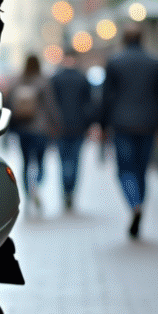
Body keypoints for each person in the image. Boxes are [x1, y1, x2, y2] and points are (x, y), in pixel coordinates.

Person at [101, 24, 158, 239]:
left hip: (122, 124)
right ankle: (139, 204)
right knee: (141, 170)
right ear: (143, 39)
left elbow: (106, 97)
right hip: (149, 124)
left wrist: (102, 126)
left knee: (125, 170)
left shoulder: (114, 62)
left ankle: (134, 205)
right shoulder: (155, 62)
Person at [6, 55, 61, 214]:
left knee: (25, 162)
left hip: (22, 129)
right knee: (40, 162)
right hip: (40, 129)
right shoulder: (43, 81)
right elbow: (51, 105)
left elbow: (9, 104)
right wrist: (56, 123)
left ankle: (29, 195)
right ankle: (36, 185)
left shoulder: (17, 81)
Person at [50, 52, 95, 211]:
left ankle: (65, 189)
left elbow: (51, 104)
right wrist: (89, 124)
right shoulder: (82, 78)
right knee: (75, 159)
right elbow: (90, 104)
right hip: (79, 126)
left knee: (63, 160)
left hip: (60, 127)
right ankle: (70, 191)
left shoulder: (56, 78)